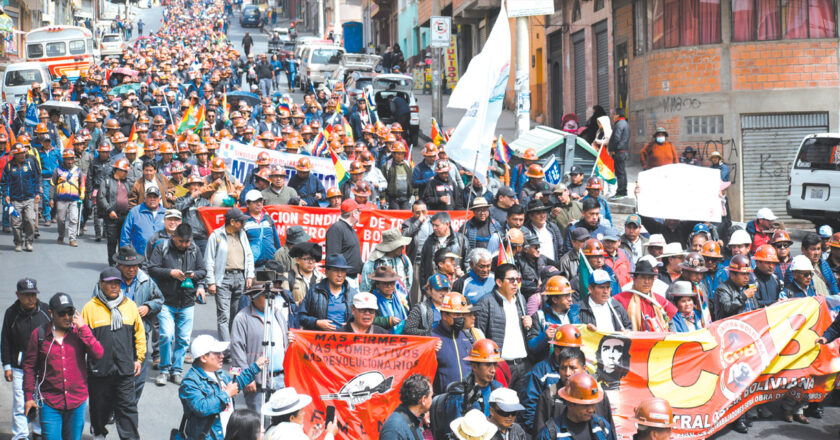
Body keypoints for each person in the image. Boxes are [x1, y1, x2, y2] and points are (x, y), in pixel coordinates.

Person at [22, 293, 104, 440]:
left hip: (77, 402)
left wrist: (84, 328)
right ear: (51, 313)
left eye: (70, 312)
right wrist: (29, 397)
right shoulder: (39, 334)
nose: (67, 317)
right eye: (61, 313)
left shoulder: (80, 332)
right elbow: (29, 367)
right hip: (49, 403)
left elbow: (98, 354)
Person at [82, 266, 146, 440]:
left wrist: (138, 359)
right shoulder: (90, 308)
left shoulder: (130, 306)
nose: (114, 287)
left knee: (128, 407)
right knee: (99, 406)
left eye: (117, 283)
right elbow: (82, 339)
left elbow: (139, 334)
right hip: (99, 370)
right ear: (101, 284)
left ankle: (130, 437)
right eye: (110, 283)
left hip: (125, 369)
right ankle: (99, 432)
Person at [148, 223, 207, 386]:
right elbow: (152, 268)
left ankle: (177, 370)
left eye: (187, 242)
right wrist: (170, 273)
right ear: (174, 237)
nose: (184, 245)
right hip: (166, 300)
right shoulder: (162, 248)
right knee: (166, 335)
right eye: (181, 241)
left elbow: (203, 271)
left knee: (183, 339)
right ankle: (164, 370)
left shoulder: (194, 249)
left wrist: (194, 275)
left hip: (187, 301)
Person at [179, 335, 268, 440]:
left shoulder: (218, 373)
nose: (222, 356)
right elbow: (201, 408)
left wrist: (255, 367)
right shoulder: (190, 382)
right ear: (203, 358)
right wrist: (226, 394)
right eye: (217, 353)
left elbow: (234, 385)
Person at [109, 246, 164, 398]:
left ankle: (130, 407)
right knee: (115, 375)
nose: (132, 270)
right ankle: (114, 407)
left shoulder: (146, 280)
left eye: (134, 266)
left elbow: (159, 299)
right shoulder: (109, 280)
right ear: (119, 265)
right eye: (127, 266)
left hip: (139, 335)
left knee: (139, 377)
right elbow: (96, 302)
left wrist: (148, 306)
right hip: (115, 335)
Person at [2, 278, 50, 440]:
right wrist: (7, 365)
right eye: (26, 295)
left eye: (33, 294)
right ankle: (21, 435)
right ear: (18, 295)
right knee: (20, 401)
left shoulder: (46, 311)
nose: (30, 298)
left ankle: (37, 431)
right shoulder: (11, 313)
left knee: (40, 400)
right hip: (19, 367)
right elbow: (5, 340)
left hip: (43, 367)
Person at [473, 263, 532, 393]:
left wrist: (529, 325)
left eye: (518, 280)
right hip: (500, 366)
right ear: (499, 282)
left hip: (522, 364)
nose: (515, 283)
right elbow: (478, 336)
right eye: (511, 280)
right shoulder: (486, 302)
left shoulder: (521, 300)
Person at [231, 286, 289, 412]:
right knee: (258, 424)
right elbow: (236, 351)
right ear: (254, 296)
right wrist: (246, 378)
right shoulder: (242, 318)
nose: (270, 299)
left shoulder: (278, 314)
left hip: (279, 378)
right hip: (256, 380)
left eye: (272, 295)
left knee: (279, 422)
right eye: (266, 295)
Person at [206, 208, 256, 343]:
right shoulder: (216, 235)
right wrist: (211, 281)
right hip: (223, 278)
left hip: (240, 277)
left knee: (236, 314)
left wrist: (250, 275)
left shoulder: (242, 234)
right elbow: (209, 260)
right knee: (223, 315)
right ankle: (226, 349)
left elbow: (249, 255)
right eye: (241, 221)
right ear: (232, 222)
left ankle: (233, 343)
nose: (244, 224)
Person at [534, 372, 614, 440]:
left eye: (593, 404)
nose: (591, 410)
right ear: (569, 403)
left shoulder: (602, 426)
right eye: (586, 406)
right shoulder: (550, 434)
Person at [298, 254, 358, 331]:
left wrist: (351, 325)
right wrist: (317, 322)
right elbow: (301, 317)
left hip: (345, 339)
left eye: (343, 271)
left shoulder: (353, 294)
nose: (339, 275)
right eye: (335, 270)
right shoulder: (314, 291)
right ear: (326, 273)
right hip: (320, 339)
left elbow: (361, 319)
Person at [613, 260, 677, 331]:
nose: (647, 282)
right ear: (634, 279)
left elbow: (670, 323)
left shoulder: (659, 300)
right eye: (643, 277)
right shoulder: (621, 299)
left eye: (650, 278)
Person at [432, 292, 475, 393]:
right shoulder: (433, 339)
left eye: (463, 314)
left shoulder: (467, 337)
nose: (461, 318)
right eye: (456, 314)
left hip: (467, 399)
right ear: (444, 315)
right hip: (443, 400)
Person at [2, 143, 41, 252]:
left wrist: (37, 192)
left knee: (30, 220)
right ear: (15, 154)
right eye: (20, 153)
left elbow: (36, 179)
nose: (23, 155)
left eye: (23, 152)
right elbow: (5, 182)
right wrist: (6, 195)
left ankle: (29, 242)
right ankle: (18, 242)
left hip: (29, 198)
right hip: (15, 200)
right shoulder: (9, 166)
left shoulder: (30, 164)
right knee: (15, 223)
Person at [262, 387, 338, 440]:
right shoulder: (292, 433)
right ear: (292, 418)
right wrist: (330, 434)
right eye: (301, 412)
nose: (304, 413)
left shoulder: (271, 431)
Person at [100, 158, 133, 264]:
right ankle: (112, 262)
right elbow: (101, 197)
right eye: (125, 171)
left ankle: (121, 262)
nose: (127, 173)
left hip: (125, 216)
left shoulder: (127, 182)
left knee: (123, 240)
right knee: (112, 241)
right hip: (111, 216)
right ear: (119, 170)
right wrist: (109, 210)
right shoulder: (107, 181)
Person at [380, 374, 432, 440]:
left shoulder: (412, 420)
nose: (432, 400)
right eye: (431, 396)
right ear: (423, 400)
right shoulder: (395, 428)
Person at [120, 186, 166, 257]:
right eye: (149, 196)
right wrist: (126, 253)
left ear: (159, 199)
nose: (152, 199)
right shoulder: (135, 212)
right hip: (140, 255)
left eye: (155, 197)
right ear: (144, 198)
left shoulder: (166, 213)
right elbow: (125, 233)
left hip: (161, 257)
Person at [325, 199, 363, 284]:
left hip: (353, 278)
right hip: (344, 279)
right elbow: (333, 257)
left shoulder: (350, 229)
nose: (360, 214)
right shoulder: (336, 229)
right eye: (359, 211)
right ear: (354, 213)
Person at [51, 149, 84, 247]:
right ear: (64, 159)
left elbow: (82, 183)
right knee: (61, 219)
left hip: (74, 199)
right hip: (61, 199)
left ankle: (72, 239)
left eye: (72, 159)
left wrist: (82, 193)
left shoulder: (78, 170)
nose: (70, 161)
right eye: (68, 159)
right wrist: (51, 198)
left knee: (74, 219)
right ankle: (61, 235)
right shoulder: (57, 170)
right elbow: (52, 184)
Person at [242, 190, 281, 268]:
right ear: (247, 204)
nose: (259, 204)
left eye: (260, 201)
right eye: (255, 202)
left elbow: (276, 241)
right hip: (253, 265)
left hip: (271, 264)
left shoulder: (268, 219)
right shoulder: (243, 221)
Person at [608, 110, 629, 197]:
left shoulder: (619, 124)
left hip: (619, 151)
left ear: (618, 115)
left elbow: (616, 138)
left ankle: (620, 192)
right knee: (622, 172)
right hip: (623, 151)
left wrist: (612, 149)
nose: (613, 116)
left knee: (620, 173)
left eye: (614, 114)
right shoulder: (625, 123)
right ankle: (623, 191)